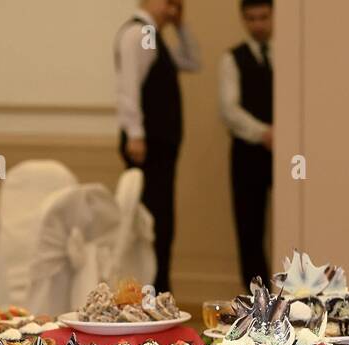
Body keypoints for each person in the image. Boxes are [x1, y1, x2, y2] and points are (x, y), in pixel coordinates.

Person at [115, 0, 201, 294]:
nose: (172, 8)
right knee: (151, 222)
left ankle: (159, 287)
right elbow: (128, 87)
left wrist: (181, 27)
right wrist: (136, 135)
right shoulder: (138, 34)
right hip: (147, 146)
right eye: (168, 2)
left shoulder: (155, 36)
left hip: (161, 146)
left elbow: (192, 61)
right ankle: (148, 290)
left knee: (163, 220)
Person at [220, 0, 274, 289]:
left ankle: (295, 295)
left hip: (289, 155)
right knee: (249, 228)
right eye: (251, 18)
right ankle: (258, 300)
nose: (258, 24)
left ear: (273, 15)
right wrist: (264, 132)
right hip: (248, 153)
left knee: (288, 220)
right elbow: (229, 110)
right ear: (243, 19)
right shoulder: (233, 59)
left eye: (263, 17)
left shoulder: (288, 55)